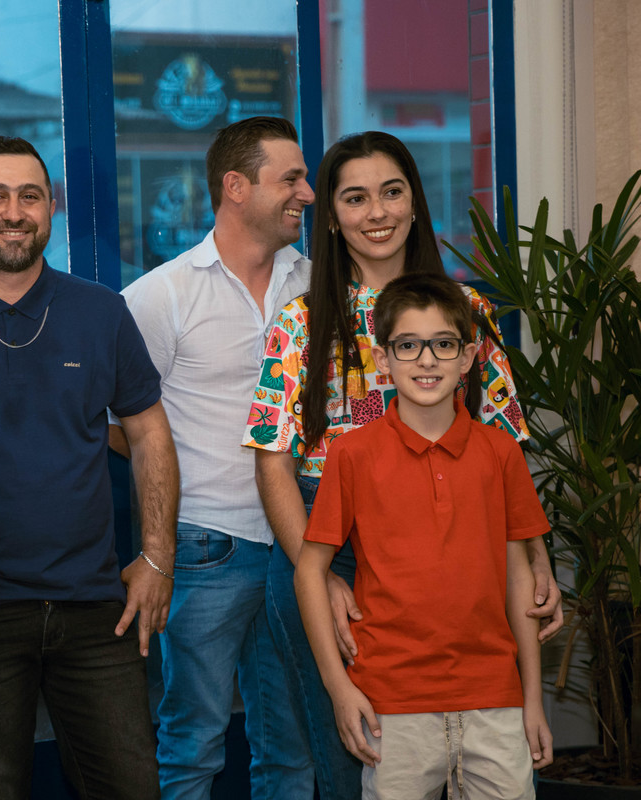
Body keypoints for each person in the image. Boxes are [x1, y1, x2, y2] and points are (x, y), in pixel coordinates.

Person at [243, 131, 562, 798]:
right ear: (332, 218)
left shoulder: (468, 313)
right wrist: (319, 572)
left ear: (415, 203)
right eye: (355, 198)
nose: (377, 212)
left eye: (392, 192)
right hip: (327, 544)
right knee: (352, 761)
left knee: (468, 747)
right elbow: (272, 463)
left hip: (455, 544)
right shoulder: (301, 322)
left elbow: (504, 449)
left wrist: (537, 560)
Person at [0, 135, 179, 799]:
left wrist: (156, 558)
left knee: (132, 787)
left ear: (51, 208)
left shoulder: (100, 311)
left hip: (94, 607)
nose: (14, 211)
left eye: (30, 196)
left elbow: (149, 434)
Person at [294, 272, 554, 798]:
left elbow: (517, 576)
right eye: (408, 345)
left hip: (494, 701)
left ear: (468, 357)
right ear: (383, 359)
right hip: (393, 705)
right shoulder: (351, 455)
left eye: (444, 344)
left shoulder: (501, 453)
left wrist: (531, 700)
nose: (427, 360)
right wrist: (339, 690)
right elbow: (309, 572)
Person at [115, 117, 315, 799]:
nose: (307, 193)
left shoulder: (318, 286)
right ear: (236, 186)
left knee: (291, 747)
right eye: (291, 179)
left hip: (300, 546)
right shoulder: (161, 295)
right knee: (193, 744)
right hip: (207, 547)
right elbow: (118, 425)